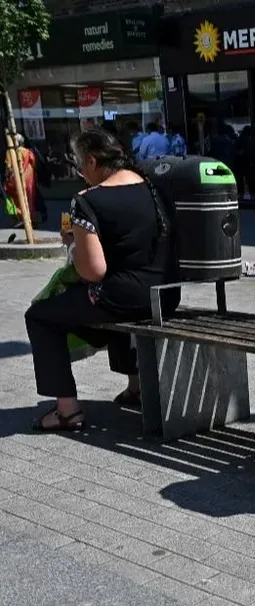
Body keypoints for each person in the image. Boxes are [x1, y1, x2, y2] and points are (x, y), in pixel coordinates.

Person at [23, 128, 179, 431]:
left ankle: (67, 411)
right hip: (166, 294)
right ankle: (135, 386)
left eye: (82, 166)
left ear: (93, 161)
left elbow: (92, 271)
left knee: (40, 316)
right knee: (110, 294)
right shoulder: (154, 188)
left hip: (125, 298)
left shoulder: (88, 201)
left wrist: (71, 243)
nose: (82, 173)